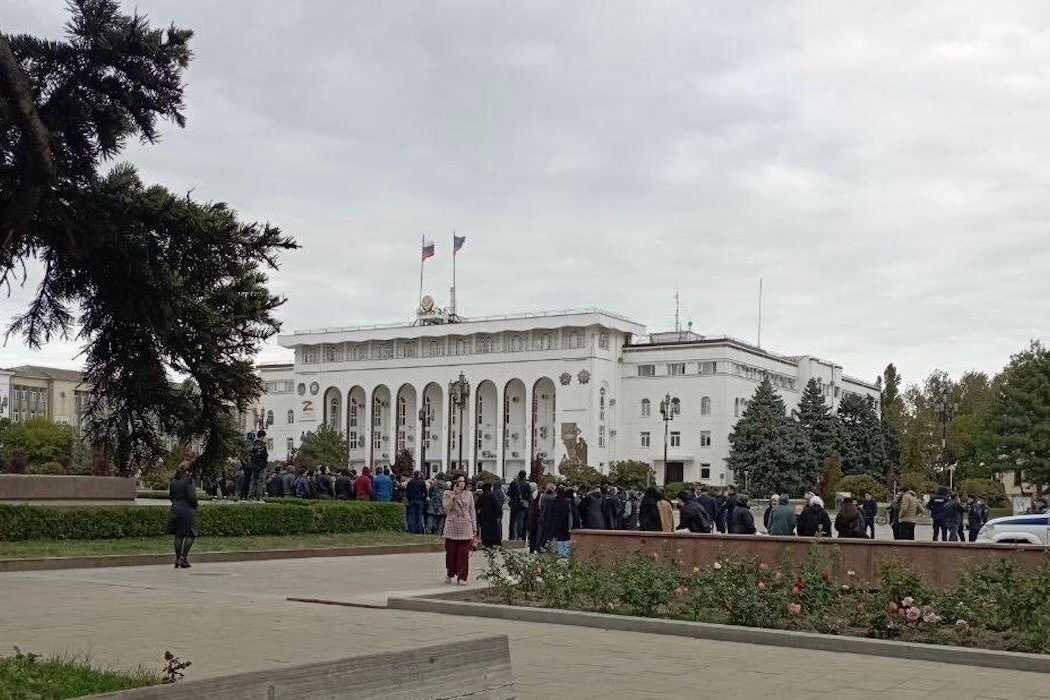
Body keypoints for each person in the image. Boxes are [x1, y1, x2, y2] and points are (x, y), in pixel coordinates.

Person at [442, 475, 477, 584]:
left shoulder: (469, 494)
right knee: (451, 554)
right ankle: (450, 573)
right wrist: (454, 497)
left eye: (463, 481)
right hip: (452, 527)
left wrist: (474, 528)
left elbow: (472, 511)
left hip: (465, 527)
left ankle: (462, 577)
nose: (461, 483)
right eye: (459, 481)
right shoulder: (447, 494)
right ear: (454, 482)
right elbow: (446, 509)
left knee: (463, 554)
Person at [168, 461, 199, 569]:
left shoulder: (173, 481)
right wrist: (195, 506)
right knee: (191, 533)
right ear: (188, 471)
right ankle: (183, 558)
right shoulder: (189, 481)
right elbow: (192, 497)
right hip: (187, 510)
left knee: (178, 535)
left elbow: (171, 496)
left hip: (175, 509)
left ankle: (177, 559)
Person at [544, 486, 574, 556]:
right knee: (565, 537)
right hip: (565, 523)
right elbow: (569, 514)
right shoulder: (567, 502)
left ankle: (559, 552)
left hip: (555, 523)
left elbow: (550, 513)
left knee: (557, 537)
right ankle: (565, 552)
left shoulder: (553, 501)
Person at [476, 482, 502, 547]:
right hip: (492, 517)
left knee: (485, 531)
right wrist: (499, 514)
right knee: (493, 530)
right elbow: (497, 506)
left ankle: (486, 543)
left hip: (484, 517)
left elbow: (477, 507)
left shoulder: (482, 496)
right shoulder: (492, 495)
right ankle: (494, 543)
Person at [507, 470, 531, 540]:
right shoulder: (526, 484)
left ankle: (512, 536)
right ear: (525, 476)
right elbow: (529, 496)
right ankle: (521, 536)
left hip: (514, 505)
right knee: (522, 521)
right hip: (523, 505)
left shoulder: (513, 483)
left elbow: (509, 494)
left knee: (513, 521)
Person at [247, 430, 268, 501]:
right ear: (262, 436)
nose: (265, 438)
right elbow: (263, 455)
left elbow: (251, 454)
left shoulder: (253, 444)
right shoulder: (261, 445)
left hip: (254, 466)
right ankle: (258, 497)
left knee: (253, 481)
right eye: (264, 436)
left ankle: (250, 496)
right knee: (260, 481)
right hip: (261, 466)